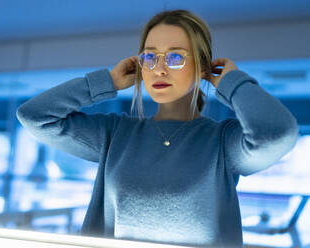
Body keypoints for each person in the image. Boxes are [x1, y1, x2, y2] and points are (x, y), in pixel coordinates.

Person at [16, 9, 299, 248]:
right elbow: (34, 116)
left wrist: (232, 82)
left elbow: (276, 134)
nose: (159, 69)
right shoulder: (115, 134)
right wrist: (107, 82)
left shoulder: (222, 143)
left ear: (203, 67)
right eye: (150, 58)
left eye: (175, 58)